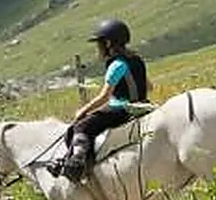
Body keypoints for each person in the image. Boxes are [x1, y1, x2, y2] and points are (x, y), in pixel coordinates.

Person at [52, 18, 151, 182]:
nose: (98, 48)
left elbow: (104, 96)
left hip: (123, 109)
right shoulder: (137, 59)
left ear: (108, 43)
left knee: (81, 126)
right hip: (144, 105)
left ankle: (77, 166)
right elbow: (149, 86)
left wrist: (83, 111)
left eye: (99, 44)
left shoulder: (116, 64)